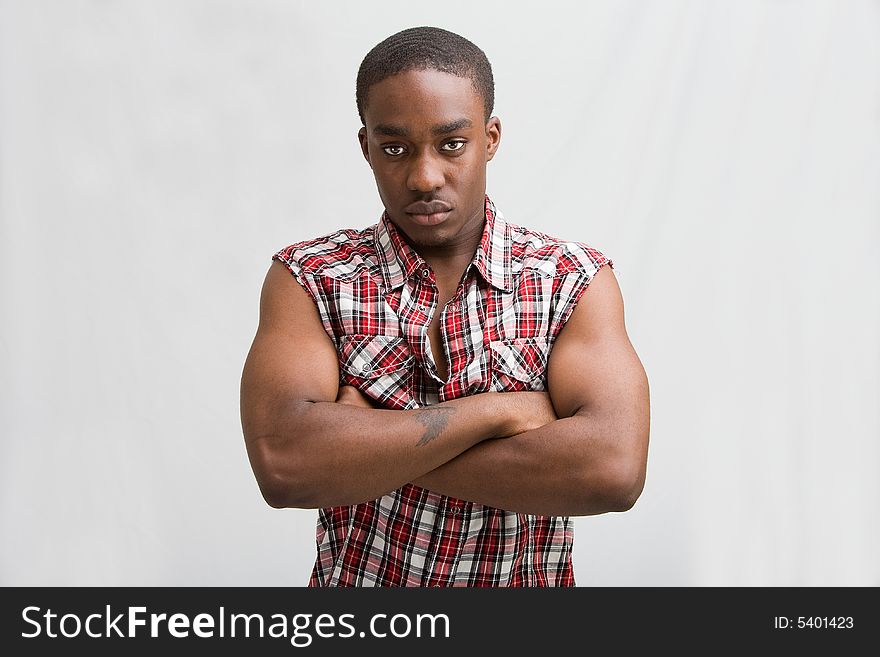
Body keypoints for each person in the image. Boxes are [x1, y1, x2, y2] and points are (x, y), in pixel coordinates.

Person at [239, 26, 650, 587]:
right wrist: (498, 413)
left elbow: (613, 471)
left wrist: (366, 447)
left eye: (452, 144)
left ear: (492, 137)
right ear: (366, 148)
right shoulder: (310, 279)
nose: (424, 175)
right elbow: (286, 466)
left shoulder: (570, 280)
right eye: (394, 149)